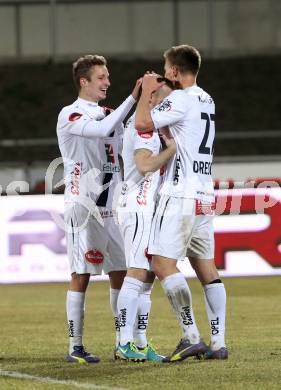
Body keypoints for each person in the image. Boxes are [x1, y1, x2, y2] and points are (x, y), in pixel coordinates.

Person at [135, 45, 228, 361]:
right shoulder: (207, 98)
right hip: (204, 193)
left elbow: (143, 124)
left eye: (166, 68)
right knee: (207, 268)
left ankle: (190, 336)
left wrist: (147, 91)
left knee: (161, 264)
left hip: (180, 193)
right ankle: (218, 343)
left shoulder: (180, 98)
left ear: (174, 71)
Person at [56, 54, 141, 363]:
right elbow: (101, 128)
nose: (108, 82)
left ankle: (123, 342)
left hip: (109, 208)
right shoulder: (71, 114)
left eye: (107, 76)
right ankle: (75, 346)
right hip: (83, 205)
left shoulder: (108, 113)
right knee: (82, 273)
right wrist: (133, 97)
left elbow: (129, 132)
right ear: (84, 81)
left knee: (120, 271)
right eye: (102, 77)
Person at [115, 83, 176, 362]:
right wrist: (171, 149)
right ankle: (123, 343)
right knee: (137, 272)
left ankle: (139, 343)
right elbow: (144, 166)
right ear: (151, 98)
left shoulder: (150, 125)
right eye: (165, 96)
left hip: (146, 207)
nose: (170, 102)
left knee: (148, 278)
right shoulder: (142, 127)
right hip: (136, 206)